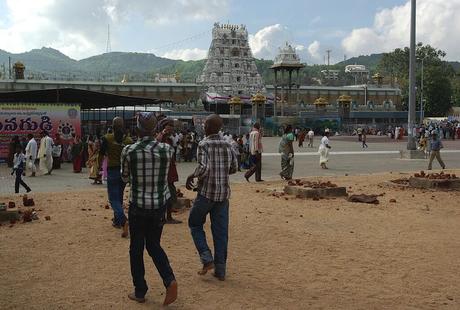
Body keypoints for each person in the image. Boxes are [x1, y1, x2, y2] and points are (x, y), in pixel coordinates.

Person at [121, 112, 178, 306]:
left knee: (136, 249)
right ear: (156, 129)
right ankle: (170, 280)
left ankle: (140, 290)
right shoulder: (167, 150)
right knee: (154, 245)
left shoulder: (129, 150)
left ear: (137, 129)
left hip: (138, 206)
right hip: (158, 206)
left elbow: (125, 178)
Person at [186, 114, 238, 281]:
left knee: (194, 223)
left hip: (206, 194)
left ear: (208, 127)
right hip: (223, 196)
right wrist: (222, 172)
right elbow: (234, 168)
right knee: (221, 233)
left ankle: (207, 258)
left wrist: (192, 175)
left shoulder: (203, 144)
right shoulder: (228, 145)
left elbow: (204, 168)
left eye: (205, 125)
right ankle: (220, 270)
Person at [100, 117, 132, 228]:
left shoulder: (106, 138)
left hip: (112, 171)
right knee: (119, 196)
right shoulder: (129, 141)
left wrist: (99, 168)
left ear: (112, 127)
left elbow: (101, 154)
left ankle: (123, 220)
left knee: (113, 199)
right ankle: (117, 221)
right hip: (124, 172)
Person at [156, 117, 182, 224]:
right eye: (169, 126)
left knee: (170, 193)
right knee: (165, 193)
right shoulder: (160, 137)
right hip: (162, 171)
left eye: (172, 126)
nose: (171, 128)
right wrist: (162, 133)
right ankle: (166, 217)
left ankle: (168, 216)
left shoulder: (170, 140)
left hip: (169, 169)